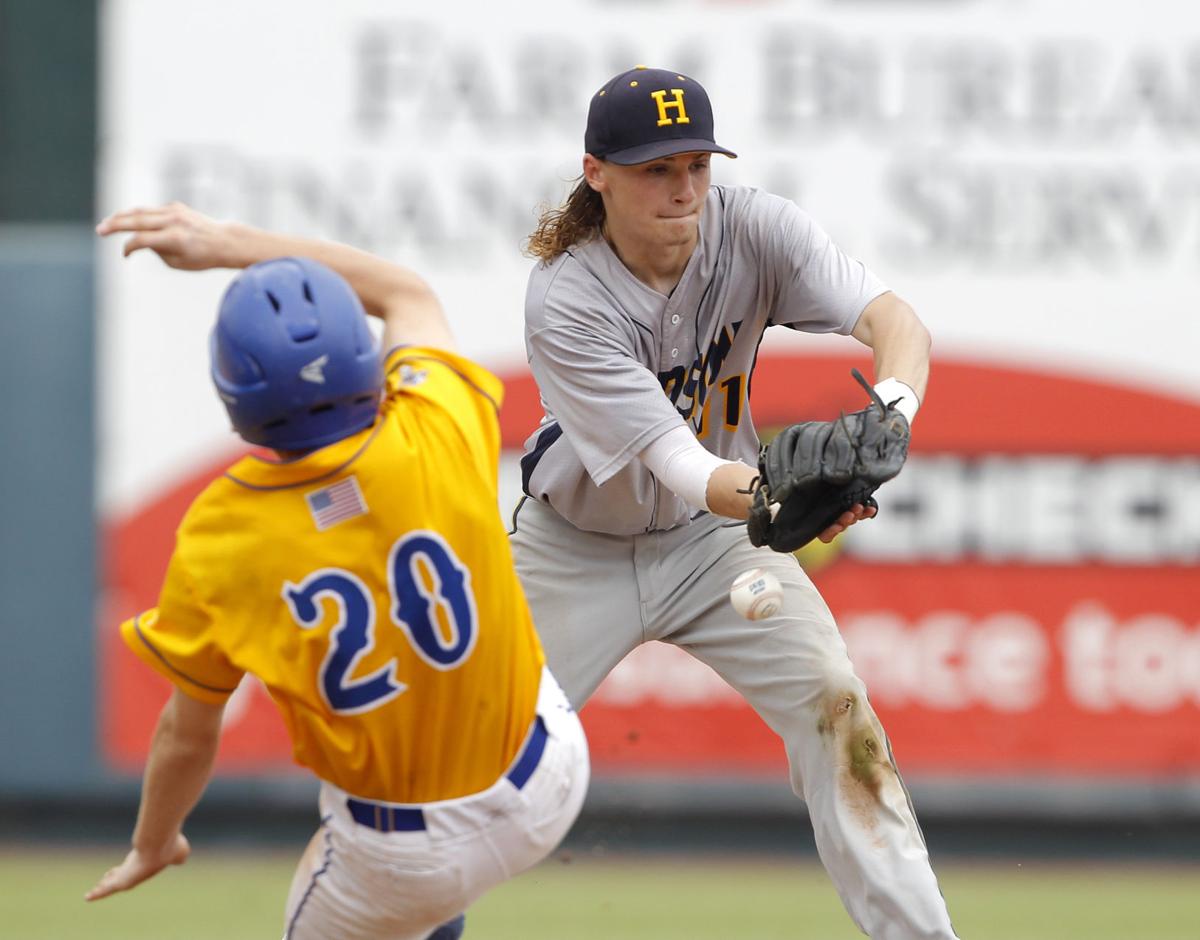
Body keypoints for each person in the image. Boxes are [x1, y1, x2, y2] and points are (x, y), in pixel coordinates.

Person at [512, 66, 958, 939]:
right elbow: (679, 464)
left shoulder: (753, 226)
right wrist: (783, 494)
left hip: (715, 546)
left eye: (696, 165)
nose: (683, 190)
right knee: (477, 755)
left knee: (837, 707)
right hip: (574, 553)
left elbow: (896, 322)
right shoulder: (566, 297)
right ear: (597, 173)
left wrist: (893, 415)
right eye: (655, 170)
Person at [87, 205, 590, 940]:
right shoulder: (438, 421)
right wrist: (227, 241)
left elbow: (188, 736)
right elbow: (405, 292)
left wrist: (153, 842)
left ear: (237, 400)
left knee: (388, 882)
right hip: (548, 776)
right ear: (366, 359)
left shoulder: (219, 534)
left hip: (402, 853)